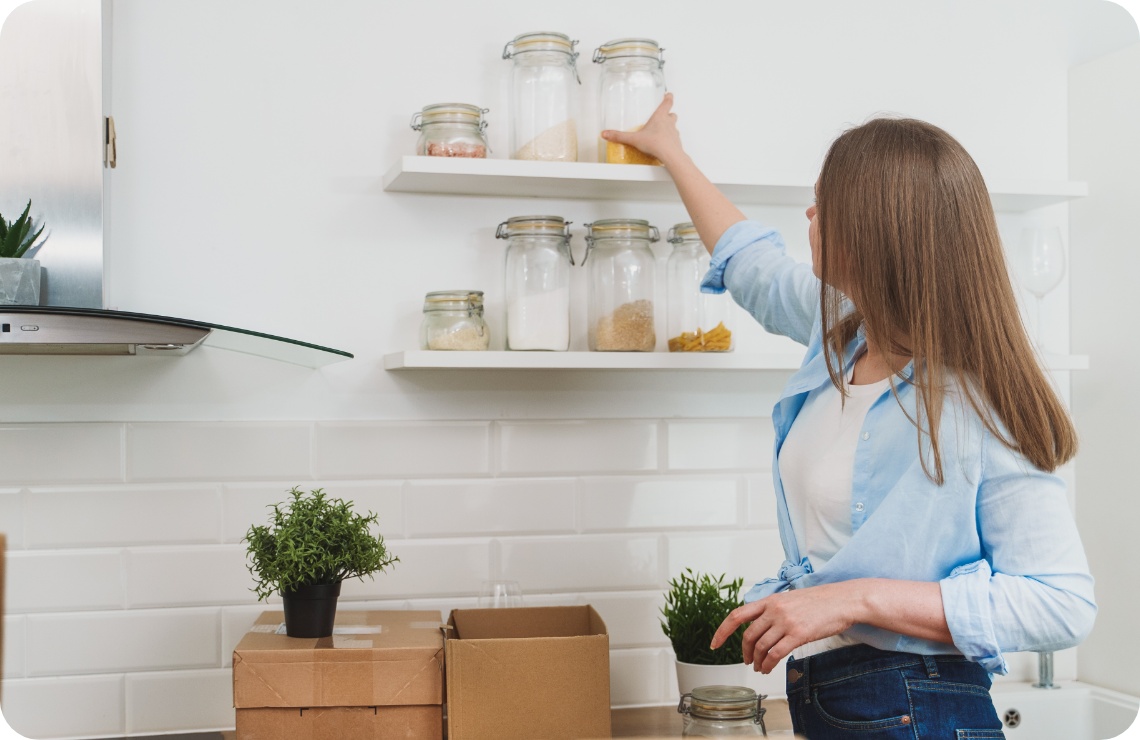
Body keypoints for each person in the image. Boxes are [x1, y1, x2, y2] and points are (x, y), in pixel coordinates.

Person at [603, 95, 1096, 738]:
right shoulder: (841, 330)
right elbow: (751, 263)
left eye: (825, 205)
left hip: (923, 710)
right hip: (834, 701)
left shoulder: (976, 401)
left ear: (875, 233)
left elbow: (1062, 603)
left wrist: (851, 600)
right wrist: (670, 150)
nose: (809, 216)